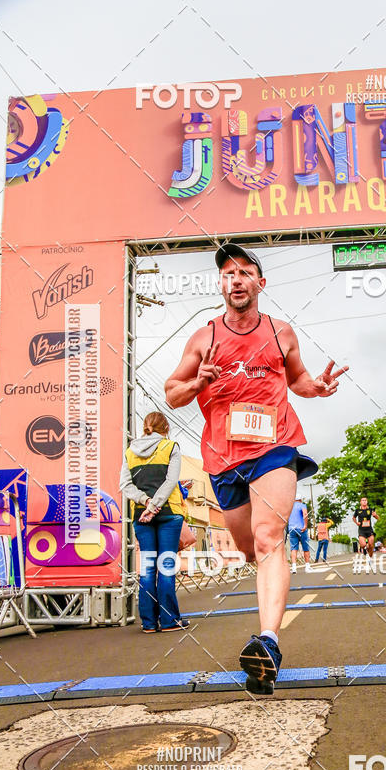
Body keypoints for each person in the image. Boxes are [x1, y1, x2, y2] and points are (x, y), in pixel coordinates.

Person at [165, 242, 347, 694]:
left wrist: (317, 386)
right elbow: (172, 393)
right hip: (223, 458)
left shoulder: (281, 332)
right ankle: (266, 625)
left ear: (260, 283)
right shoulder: (203, 337)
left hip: (275, 447)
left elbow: (298, 379)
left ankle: (268, 642)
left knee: (269, 539)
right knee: (250, 549)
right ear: (221, 285)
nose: (237, 279)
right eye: (229, 273)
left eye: (245, 272)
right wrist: (197, 382)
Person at [119, 412, 187, 633]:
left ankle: (148, 623)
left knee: (147, 569)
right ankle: (169, 621)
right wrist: (155, 504)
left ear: (145, 427)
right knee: (166, 567)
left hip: (141, 515)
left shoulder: (130, 452)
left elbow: (125, 485)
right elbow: (171, 481)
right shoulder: (170, 447)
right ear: (165, 428)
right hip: (169, 514)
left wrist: (146, 502)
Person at [352, 497, 379, 568]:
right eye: (363, 500)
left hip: (369, 530)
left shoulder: (370, 510)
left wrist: (375, 515)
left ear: (367, 502)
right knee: (363, 544)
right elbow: (353, 518)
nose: (364, 501)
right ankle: (365, 549)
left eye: (365, 500)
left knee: (371, 544)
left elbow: (378, 518)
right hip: (362, 530)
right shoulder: (358, 510)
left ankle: (370, 557)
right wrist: (356, 523)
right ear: (360, 502)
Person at [288, 497, 312, 574]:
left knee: (293, 549)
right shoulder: (302, 505)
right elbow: (305, 514)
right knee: (306, 548)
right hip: (301, 529)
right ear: (300, 500)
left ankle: (294, 568)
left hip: (292, 529)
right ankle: (307, 567)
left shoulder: (289, 507)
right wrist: (305, 525)